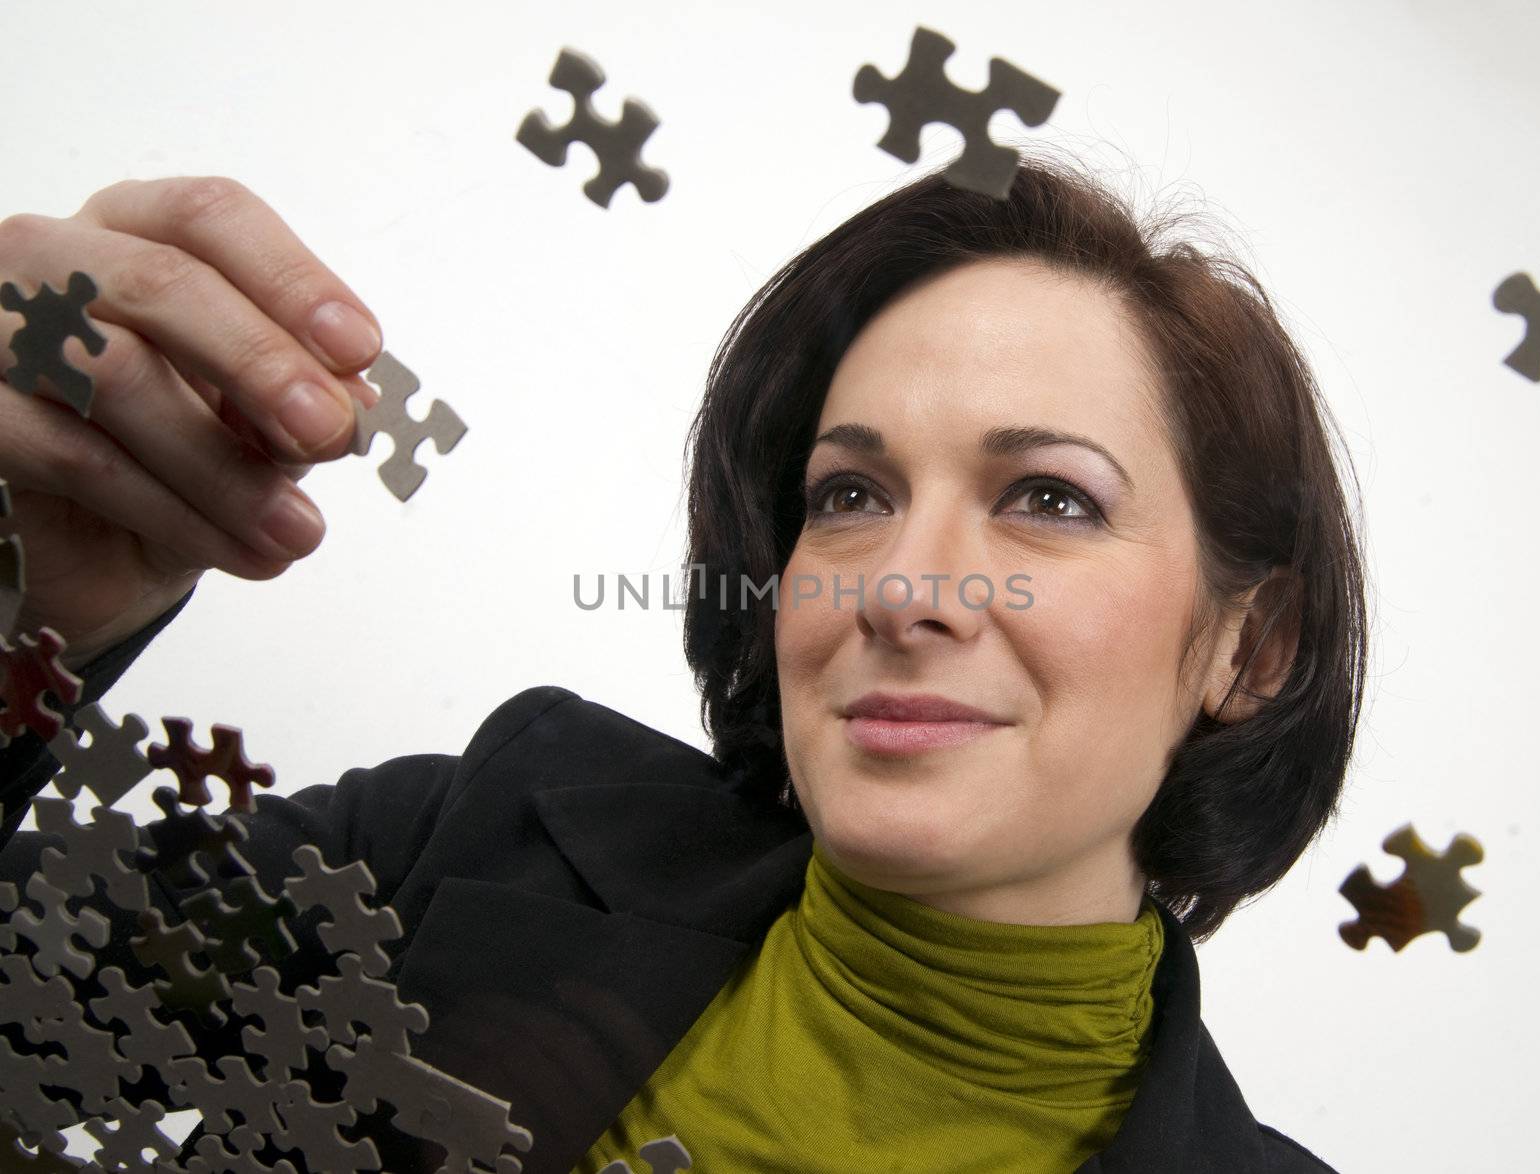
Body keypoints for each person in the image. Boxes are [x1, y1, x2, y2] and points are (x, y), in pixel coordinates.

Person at [0, 151, 1366, 1172]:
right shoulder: (478, 828)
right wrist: (29, 613)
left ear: (1251, 645)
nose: (899, 586)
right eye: (847, 496)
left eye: (1050, 498)